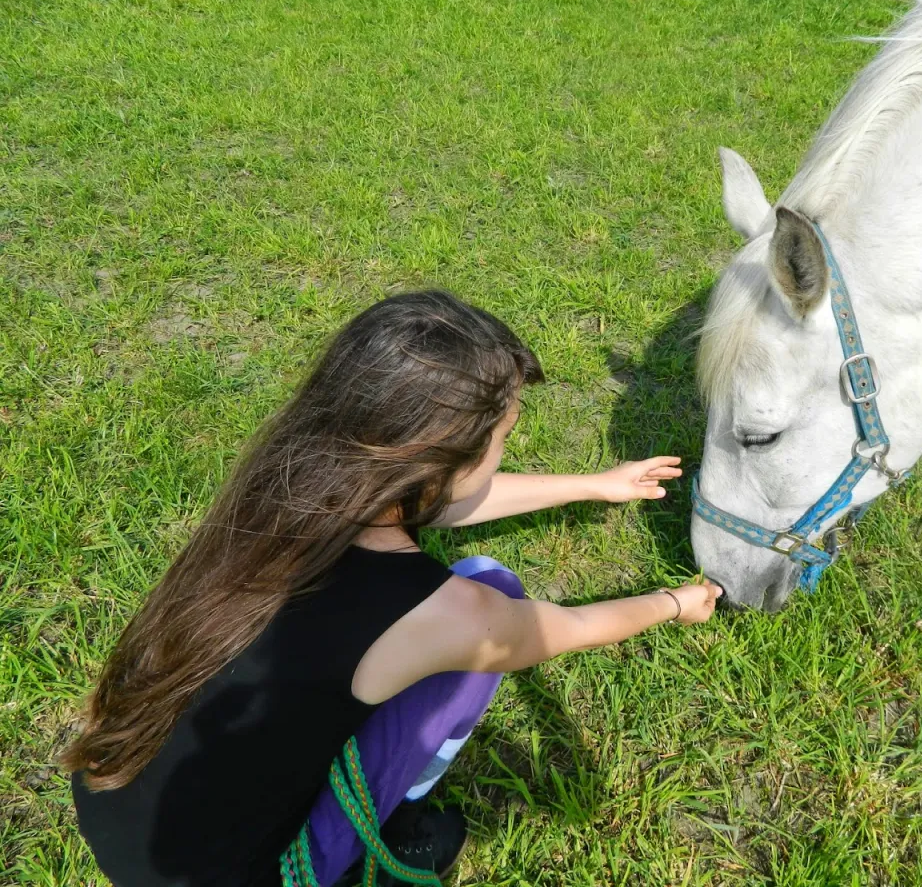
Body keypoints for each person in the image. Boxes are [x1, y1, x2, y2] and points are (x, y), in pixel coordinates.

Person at [65, 290, 722, 887]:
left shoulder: (281, 484)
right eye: (503, 439)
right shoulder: (455, 614)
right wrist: (676, 602)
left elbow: (432, 500)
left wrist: (594, 483)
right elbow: (565, 629)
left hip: (110, 795)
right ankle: (394, 822)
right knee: (494, 583)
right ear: (442, 461)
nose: (503, 452)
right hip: (233, 878)